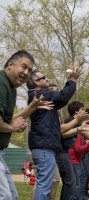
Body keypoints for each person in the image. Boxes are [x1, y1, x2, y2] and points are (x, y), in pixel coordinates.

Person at [0, 50, 53, 200]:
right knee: (5, 196)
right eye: (23, 66)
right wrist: (12, 127)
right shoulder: (1, 83)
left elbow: (8, 119)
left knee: (12, 196)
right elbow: (8, 124)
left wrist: (32, 107)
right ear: (10, 64)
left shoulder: (11, 88)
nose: (26, 72)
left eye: (29, 70)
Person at [26, 66, 82, 200]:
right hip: (43, 147)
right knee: (44, 185)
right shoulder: (39, 95)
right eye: (44, 78)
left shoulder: (41, 96)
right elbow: (63, 96)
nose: (47, 79)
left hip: (44, 147)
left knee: (45, 183)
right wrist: (72, 80)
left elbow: (60, 100)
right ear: (36, 83)